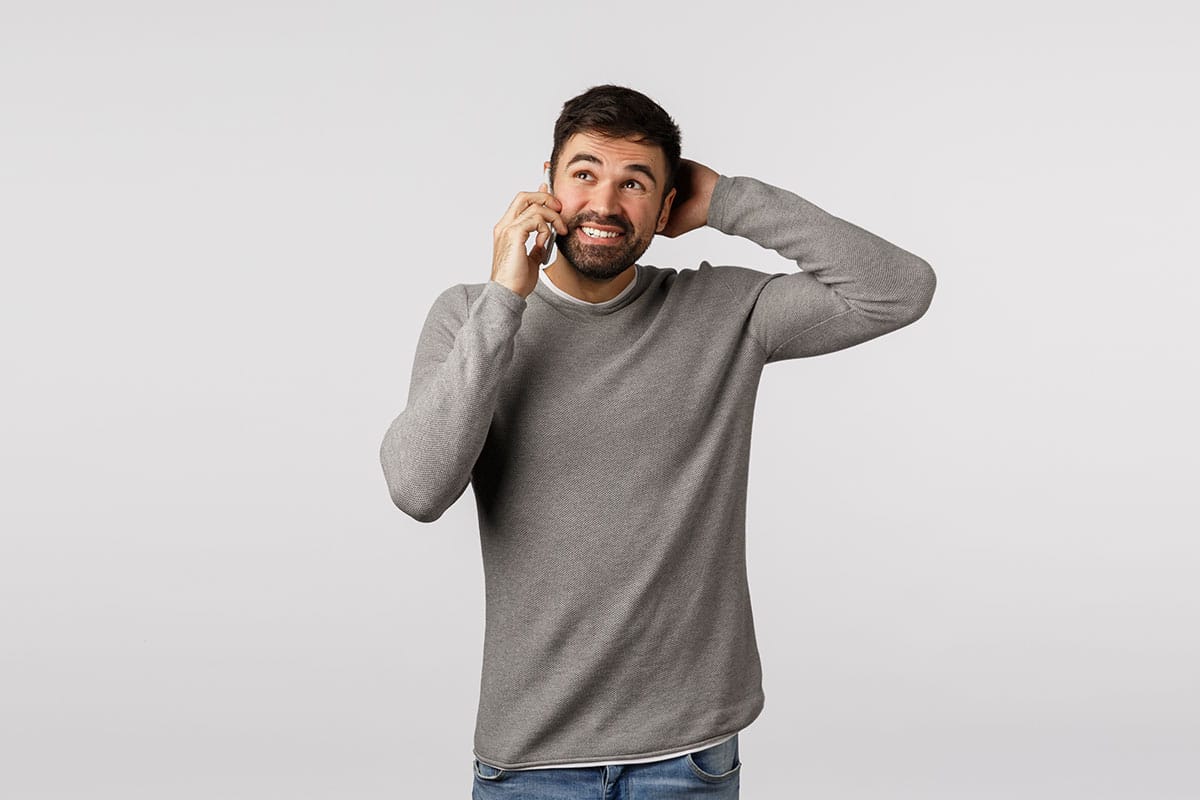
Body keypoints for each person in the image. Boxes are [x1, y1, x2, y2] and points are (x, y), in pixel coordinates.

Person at [379, 84, 937, 799]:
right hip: (531, 758)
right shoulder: (470, 318)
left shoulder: (725, 312)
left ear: (667, 208)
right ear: (547, 187)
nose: (605, 203)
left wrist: (729, 199)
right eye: (583, 174)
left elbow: (899, 289)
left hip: (690, 755)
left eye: (634, 183)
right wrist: (505, 299)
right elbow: (417, 489)